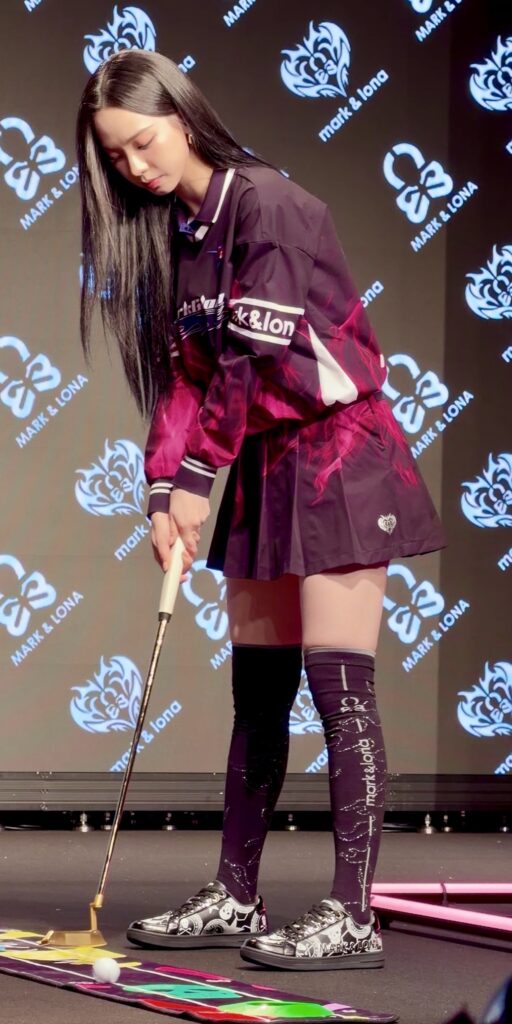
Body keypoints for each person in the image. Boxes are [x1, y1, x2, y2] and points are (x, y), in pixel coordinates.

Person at [77, 48, 445, 971]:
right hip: (263, 459)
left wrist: (199, 477)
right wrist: (161, 490)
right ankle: (237, 896)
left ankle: (352, 915)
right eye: (116, 157)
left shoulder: (269, 205)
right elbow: (186, 376)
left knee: (338, 686)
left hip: (340, 453)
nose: (135, 167)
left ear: (181, 115)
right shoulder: (180, 234)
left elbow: (249, 362)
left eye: (143, 142)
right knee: (259, 689)